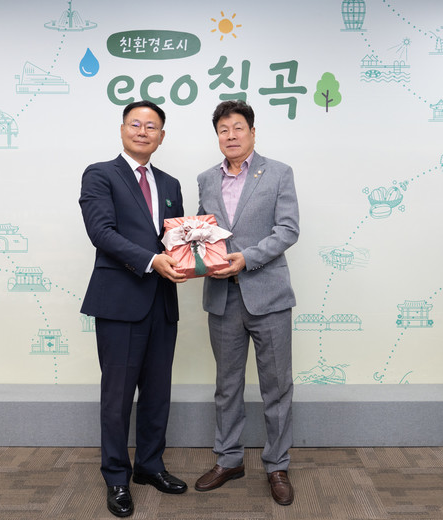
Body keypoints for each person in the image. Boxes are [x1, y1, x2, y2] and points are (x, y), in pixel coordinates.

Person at [79, 100, 188, 518]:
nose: (143, 131)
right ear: (123, 129)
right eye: (136, 124)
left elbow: (175, 238)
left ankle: (150, 465)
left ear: (162, 136)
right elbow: (101, 232)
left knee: (158, 393)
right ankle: (116, 477)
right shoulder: (100, 174)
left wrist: (195, 254)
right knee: (118, 397)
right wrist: (151, 260)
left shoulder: (170, 183)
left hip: (162, 301)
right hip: (120, 300)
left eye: (152, 126)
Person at [194, 100, 300, 506]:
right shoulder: (206, 179)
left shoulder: (278, 173)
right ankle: (229, 460)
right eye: (223, 130)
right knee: (227, 386)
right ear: (217, 136)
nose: (231, 135)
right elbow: (203, 231)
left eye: (238, 128)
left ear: (252, 132)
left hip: (268, 295)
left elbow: (287, 230)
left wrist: (247, 258)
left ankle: (277, 465)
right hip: (222, 298)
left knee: (277, 387)